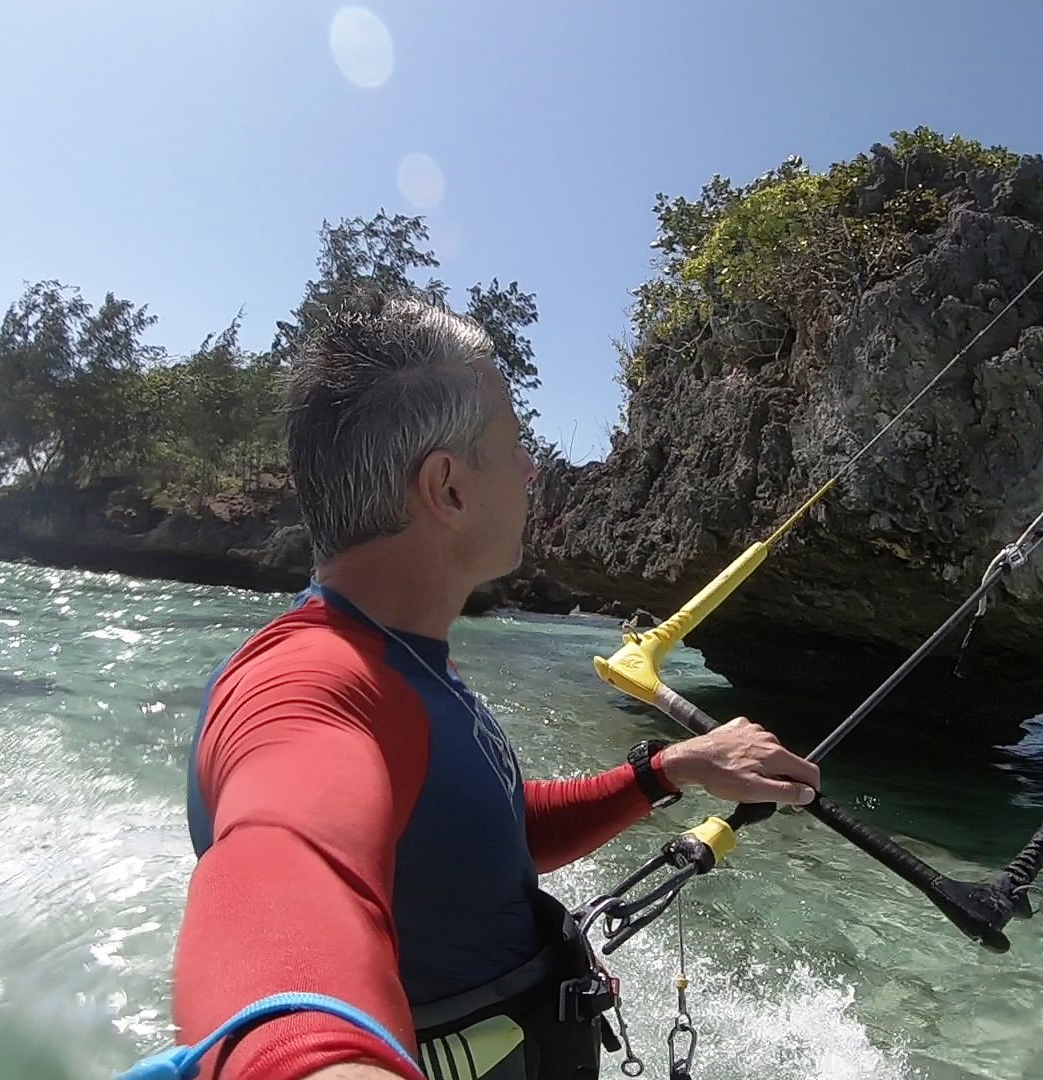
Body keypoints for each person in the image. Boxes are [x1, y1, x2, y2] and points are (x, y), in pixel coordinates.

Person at [166, 293, 823, 1080]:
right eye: (515, 442)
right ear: (447, 488)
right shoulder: (309, 686)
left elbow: (483, 835)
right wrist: (303, 1058)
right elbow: (273, 885)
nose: (532, 466)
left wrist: (664, 772)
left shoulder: (403, 660)